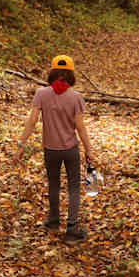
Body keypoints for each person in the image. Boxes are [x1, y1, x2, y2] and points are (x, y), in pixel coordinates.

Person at [13, 54, 96, 242]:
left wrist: (21, 145)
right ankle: (72, 230)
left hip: (51, 149)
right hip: (70, 150)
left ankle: (53, 221)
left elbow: (32, 121)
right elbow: (80, 127)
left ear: (52, 72)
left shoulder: (41, 94)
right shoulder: (76, 98)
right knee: (73, 187)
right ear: (71, 74)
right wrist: (89, 150)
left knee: (53, 184)